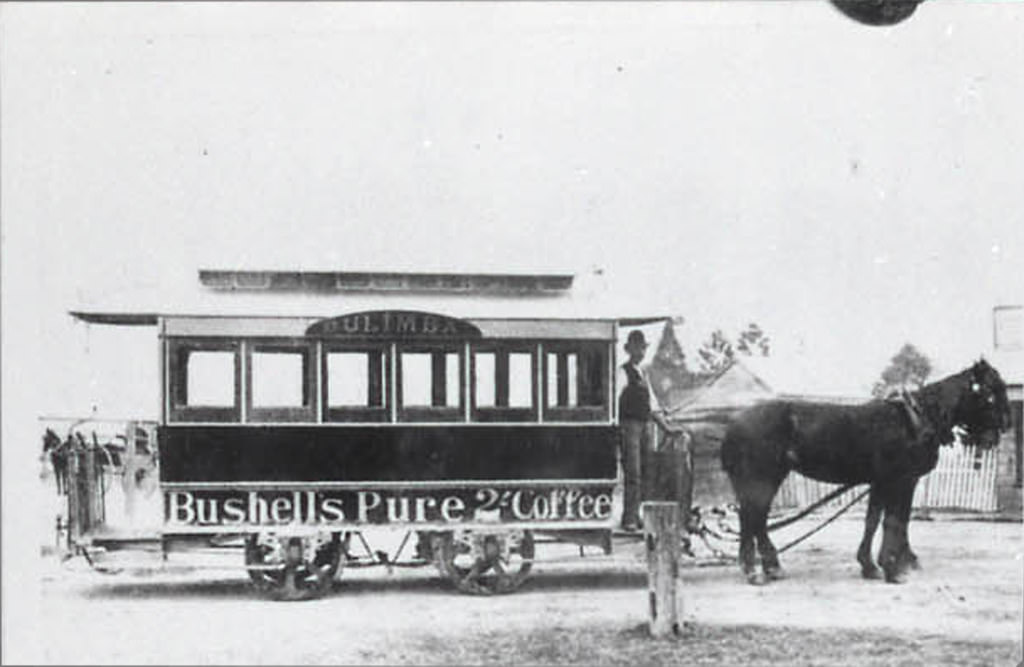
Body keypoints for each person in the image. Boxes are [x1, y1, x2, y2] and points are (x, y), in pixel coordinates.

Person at [617, 330, 687, 531]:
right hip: (629, 426)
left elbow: (653, 407)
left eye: (643, 347)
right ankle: (629, 518)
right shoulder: (622, 373)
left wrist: (667, 428)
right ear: (629, 349)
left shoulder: (643, 375)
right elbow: (614, 403)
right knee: (634, 472)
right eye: (637, 347)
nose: (641, 351)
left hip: (645, 426)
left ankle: (637, 515)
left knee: (647, 471)